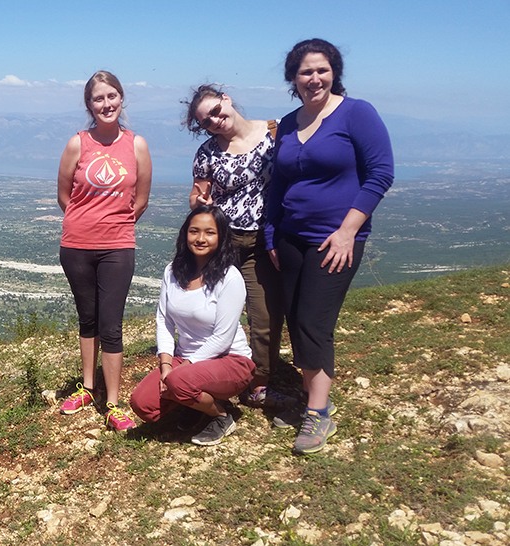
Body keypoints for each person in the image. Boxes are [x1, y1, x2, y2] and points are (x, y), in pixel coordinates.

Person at [265, 39, 394, 455]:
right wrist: (270, 233)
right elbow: (278, 185)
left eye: (322, 70)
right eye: (305, 72)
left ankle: (319, 414)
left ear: (334, 72)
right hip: (289, 237)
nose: (314, 78)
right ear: (293, 78)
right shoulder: (287, 123)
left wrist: (347, 231)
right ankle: (314, 398)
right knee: (295, 319)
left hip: (335, 239)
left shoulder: (357, 113)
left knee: (314, 322)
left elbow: (380, 173)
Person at [184, 84, 296, 412]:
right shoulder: (207, 152)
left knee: (264, 316)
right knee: (212, 313)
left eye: (216, 111)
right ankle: (210, 375)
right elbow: (197, 194)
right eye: (206, 121)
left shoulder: (275, 132)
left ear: (227, 100)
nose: (215, 121)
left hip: (265, 240)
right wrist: (197, 202)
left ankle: (257, 384)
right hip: (223, 242)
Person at [56, 70, 153, 431]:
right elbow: (64, 196)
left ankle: (112, 403)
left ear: (121, 99)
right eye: (99, 98)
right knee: (88, 319)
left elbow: (140, 200)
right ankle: (88, 387)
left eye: (112, 96)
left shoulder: (136, 145)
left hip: (117, 246)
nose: (106, 104)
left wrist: (114, 225)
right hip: (76, 245)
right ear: (89, 104)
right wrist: (85, 222)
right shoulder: (77, 144)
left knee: (111, 324)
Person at [129, 205, 256, 445]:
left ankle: (221, 415)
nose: (200, 238)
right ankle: (194, 400)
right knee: (142, 403)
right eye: (194, 231)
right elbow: (164, 320)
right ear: (185, 234)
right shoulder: (173, 272)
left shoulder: (229, 277)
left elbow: (223, 338)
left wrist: (182, 370)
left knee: (179, 382)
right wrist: (166, 365)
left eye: (210, 232)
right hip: (186, 361)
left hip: (231, 360)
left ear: (222, 237)